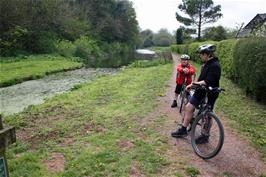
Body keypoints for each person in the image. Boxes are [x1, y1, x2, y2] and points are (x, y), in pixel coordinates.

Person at [171, 44, 221, 144]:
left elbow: (208, 81)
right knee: (191, 108)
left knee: (206, 114)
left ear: (207, 54)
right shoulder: (208, 63)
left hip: (208, 92)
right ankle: (184, 130)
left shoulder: (214, 65)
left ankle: (204, 135)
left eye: (201, 54)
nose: (200, 56)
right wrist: (196, 84)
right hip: (203, 90)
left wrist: (193, 84)